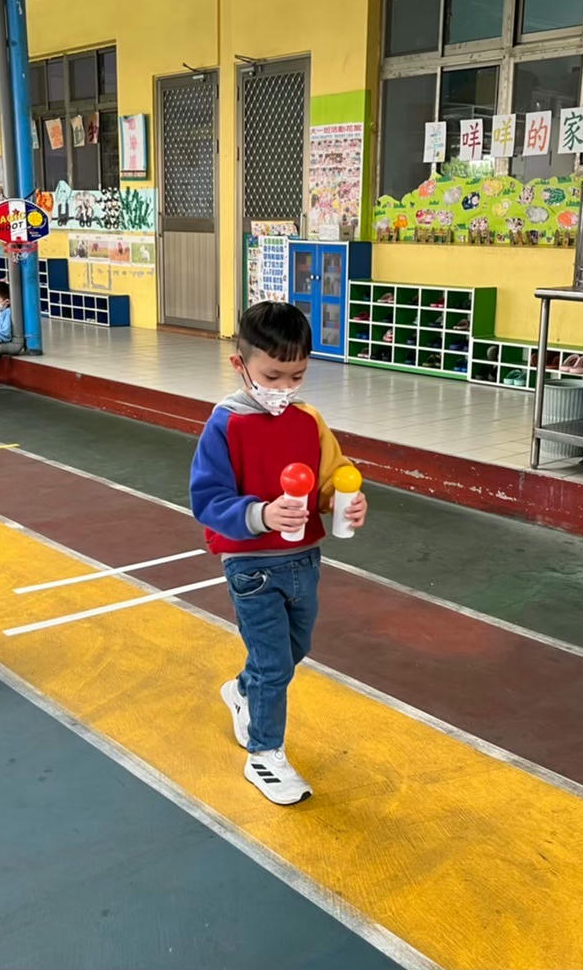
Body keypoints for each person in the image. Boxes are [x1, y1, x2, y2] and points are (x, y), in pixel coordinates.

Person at [189, 302, 367, 806]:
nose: (284, 388)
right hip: (251, 565)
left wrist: (344, 501)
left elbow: (333, 475)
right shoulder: (225, 425)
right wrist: (262, 514)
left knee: (292, 651)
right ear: (239, 364)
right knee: (274, 666)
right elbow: (207, 500)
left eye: (297, 376)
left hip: (305, 559)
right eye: (272, 376)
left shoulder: (308, 420)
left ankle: (243, 691)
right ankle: (265, 754)